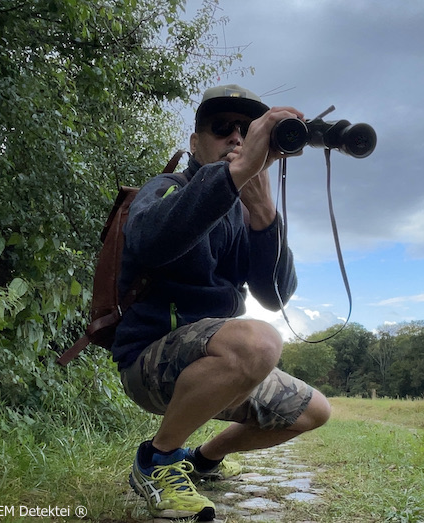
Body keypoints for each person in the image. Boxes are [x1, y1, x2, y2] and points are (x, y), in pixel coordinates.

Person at [112, 84, 331, 521]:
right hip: (150, 361)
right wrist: (231, 178)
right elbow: (151, 241)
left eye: (247, 130)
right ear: (195, 143)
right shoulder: (169, 187)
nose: (236, 137)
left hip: (220, 363)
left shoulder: (247, 209)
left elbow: (274, 296)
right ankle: (157, 460)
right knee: (260, 342)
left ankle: (203, 461)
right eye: (221, 128)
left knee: (313, 411)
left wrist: (265, 214)